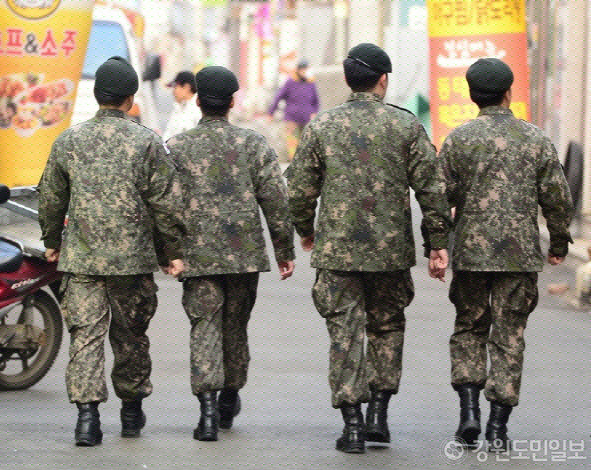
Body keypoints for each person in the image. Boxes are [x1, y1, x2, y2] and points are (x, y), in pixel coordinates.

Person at [285, 44, 452, 454]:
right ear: (383, 80)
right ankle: (379, 414)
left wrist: (306, 231)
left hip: (338, 252)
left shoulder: (322, 127)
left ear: (346, 80)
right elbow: (432, 189)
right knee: (387, 327)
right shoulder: (406, 126)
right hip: (390, 253)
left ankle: (353, 424)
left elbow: (299, 191)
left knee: (344, 332)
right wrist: (437, 245)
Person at [38, 56, 185, 447]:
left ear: (96, 94)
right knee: (131, 336)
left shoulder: (69, 140)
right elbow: (166, 204)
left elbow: (51, 198)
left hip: (81, 261)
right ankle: (132, 409)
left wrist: (52, 241)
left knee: (85, 337)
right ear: (131, 98)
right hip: (132, 262)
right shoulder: (147, 141)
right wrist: (171, 251)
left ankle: (87, 420)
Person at [438, 58, 574, 451]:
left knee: (469, 328)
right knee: (509, 336)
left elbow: (437, 198)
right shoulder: (534, 139)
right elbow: (557, 197)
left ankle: (468, 412)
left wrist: (437, 242)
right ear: (508, 92)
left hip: (471, 255)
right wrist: (560, 243)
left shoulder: (459, 140)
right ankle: (498, 427)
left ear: (471, 94)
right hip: (520, 256)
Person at [167, 65, 295, 442]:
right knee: (235, 327)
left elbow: (165, 204)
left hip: (197, 256)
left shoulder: (177, 146)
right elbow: (275, 199)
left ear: (198, 100)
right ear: (232, 102)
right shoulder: (254, 145)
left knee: (204, 326)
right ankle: (229, 399)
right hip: (244, 257)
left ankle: (206, 414)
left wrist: (169, 250)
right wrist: (284, 248)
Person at [268, 60, 320, 160]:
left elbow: (316, 100)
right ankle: (294, 160)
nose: (304, 72)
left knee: (305, 140)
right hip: (291, 117)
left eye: (306, 70)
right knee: (292, 141)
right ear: (298, 70)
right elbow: (278, 97)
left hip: (306, 117)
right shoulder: (290, 82)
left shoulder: (311, 83)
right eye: (302, 70)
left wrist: (314, 112)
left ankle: (303, 160)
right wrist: (271, 112)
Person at [162, 70, 202, 141]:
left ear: (187, 87)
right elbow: (169, 133)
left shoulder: (198, 109)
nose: (173, 92)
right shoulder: (179, 107)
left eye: (175, 87)